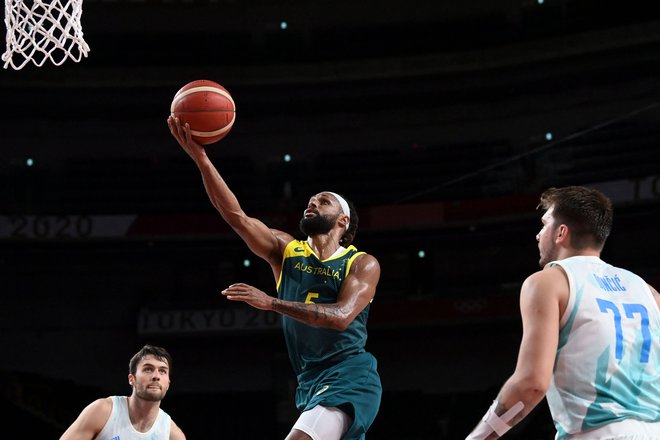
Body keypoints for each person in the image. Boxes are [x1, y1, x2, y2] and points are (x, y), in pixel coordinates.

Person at [168, 116, 382, 440]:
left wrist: (272, 303)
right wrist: (201, 159)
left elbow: (340, 317)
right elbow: (236, 217)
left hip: (350, 375)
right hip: (310, 379)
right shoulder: (286, 249)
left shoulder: (361, 263)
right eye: (311, 199)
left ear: (342, 220)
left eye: (323, 201)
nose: (312, 202)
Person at [465, 186, 660, 440]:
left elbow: (531, 384)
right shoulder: (648, 292)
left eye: (544, 225)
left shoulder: (549, 282)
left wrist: (478, 438)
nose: (538, 235)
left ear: (561, 233)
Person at [60, 344, 186, 440]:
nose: (156, 376)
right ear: (132, 379)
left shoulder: (172, 435)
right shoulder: (103, 411)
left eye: (162, 371)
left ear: (168, 383)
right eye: (148, 369)